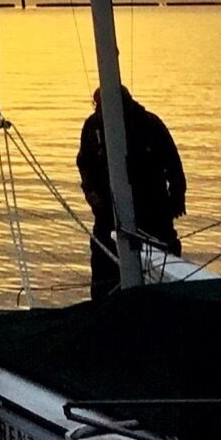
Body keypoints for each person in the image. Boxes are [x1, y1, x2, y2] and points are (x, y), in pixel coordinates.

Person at [78, 86, 187, 299]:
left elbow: (173, 164)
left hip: (153, 212)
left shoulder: (150, 124)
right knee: (104, 274)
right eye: (97, 106)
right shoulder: (92, 127)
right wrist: (90, 194)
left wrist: (177, 199)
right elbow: (84, 164)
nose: (100, 110)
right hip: (109, 215)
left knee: (165, 265)